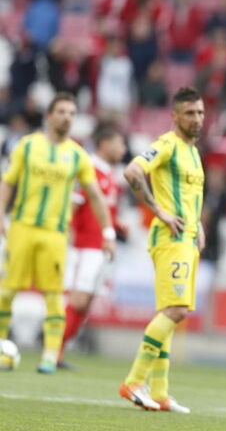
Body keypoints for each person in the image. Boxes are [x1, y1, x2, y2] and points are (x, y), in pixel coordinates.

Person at [0, 92, 116, 373]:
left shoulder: (77, 154)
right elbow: (7, 182)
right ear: (49, 115)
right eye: (62, 111)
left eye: (72, 113)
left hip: (54, 233)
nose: (67, 117)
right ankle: (2, 346)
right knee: (7, 291)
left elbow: (96, 196)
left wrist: (108, 232)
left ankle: (50, 354)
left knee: (53, 294)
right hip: (22, 227)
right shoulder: (27, 146)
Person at [118, 87, 205, 413]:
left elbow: (190, 195)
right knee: (176, 310)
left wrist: (201, 227)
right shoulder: (167, 144)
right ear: (175, 116)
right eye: (189, 113)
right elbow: (133, 171)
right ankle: (133, 382)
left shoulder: (193, 152)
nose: (196, 119)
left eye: (200, 112)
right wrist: (161, 212)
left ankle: (161, 392)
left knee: (170, 310)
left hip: (188, 237)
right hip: (170, 238)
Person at [58, 123, 127, 369]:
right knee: (77, 300)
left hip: (100, 247)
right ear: (105, 144)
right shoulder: (87, 170)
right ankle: (51, 350)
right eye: (120, 143)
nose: (124, 149)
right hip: (83, 246)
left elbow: (101, 210)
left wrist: (117, 225)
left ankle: (59, 352)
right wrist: (68, 236)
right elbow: (74, 205)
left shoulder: (109, 174)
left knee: (86, 304)